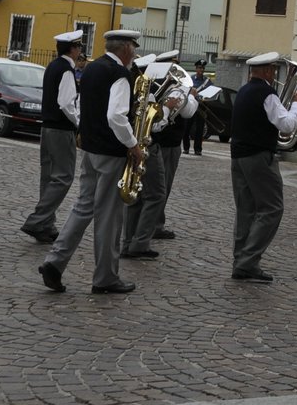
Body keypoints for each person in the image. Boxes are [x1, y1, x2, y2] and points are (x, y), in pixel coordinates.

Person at [38, 30, 144, 294]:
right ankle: (106, 277)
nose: (134, 53)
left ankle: (55, 260)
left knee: (82, 207)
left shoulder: (92, 68)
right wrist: (133, 145)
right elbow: (116, 117)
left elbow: (81, 108)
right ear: (127, 49)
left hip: (91, 150)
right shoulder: (120, 74)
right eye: (133, 47)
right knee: (109, 217)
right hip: (111, 152)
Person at [228, 51, 297, 281]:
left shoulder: (245, 90)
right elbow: (287, 125)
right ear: (266, 71)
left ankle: (240, 260)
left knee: (246, 210)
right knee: (272, 208)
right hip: (258, 157)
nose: (275, 73)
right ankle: (247, 262)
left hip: (239, 156)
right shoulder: (266, 93)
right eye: (273, 69)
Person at [122, 50, 196, 257]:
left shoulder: (131, 89)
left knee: (136, 194)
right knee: (155, 195)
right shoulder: (149, 93)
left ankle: (130, 242)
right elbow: (155, 126)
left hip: (135, 145)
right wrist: (166, 110)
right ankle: (140, 243)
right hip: (147, 146)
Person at [20, 30, 84, 243]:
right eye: (79, 47)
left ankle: (46, 224)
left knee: (48, 177)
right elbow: (66, 103)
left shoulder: (52, 66)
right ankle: (38, 221)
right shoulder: (66, 70)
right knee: (63, 177)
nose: (80, 51)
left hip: (47, 127)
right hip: (61, 129)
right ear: (73, 48)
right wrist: (78, 123)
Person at [187, 59, 210, 155]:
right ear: (196, 69)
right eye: (200, 68)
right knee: (187, 128)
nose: (201, 70)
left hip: (201, 106)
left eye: (203, 68)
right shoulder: (190, 79)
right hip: (192, 105)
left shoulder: (207, 81)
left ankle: (198, 149)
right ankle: (186, 148)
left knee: (200, 129)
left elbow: (210, 92)